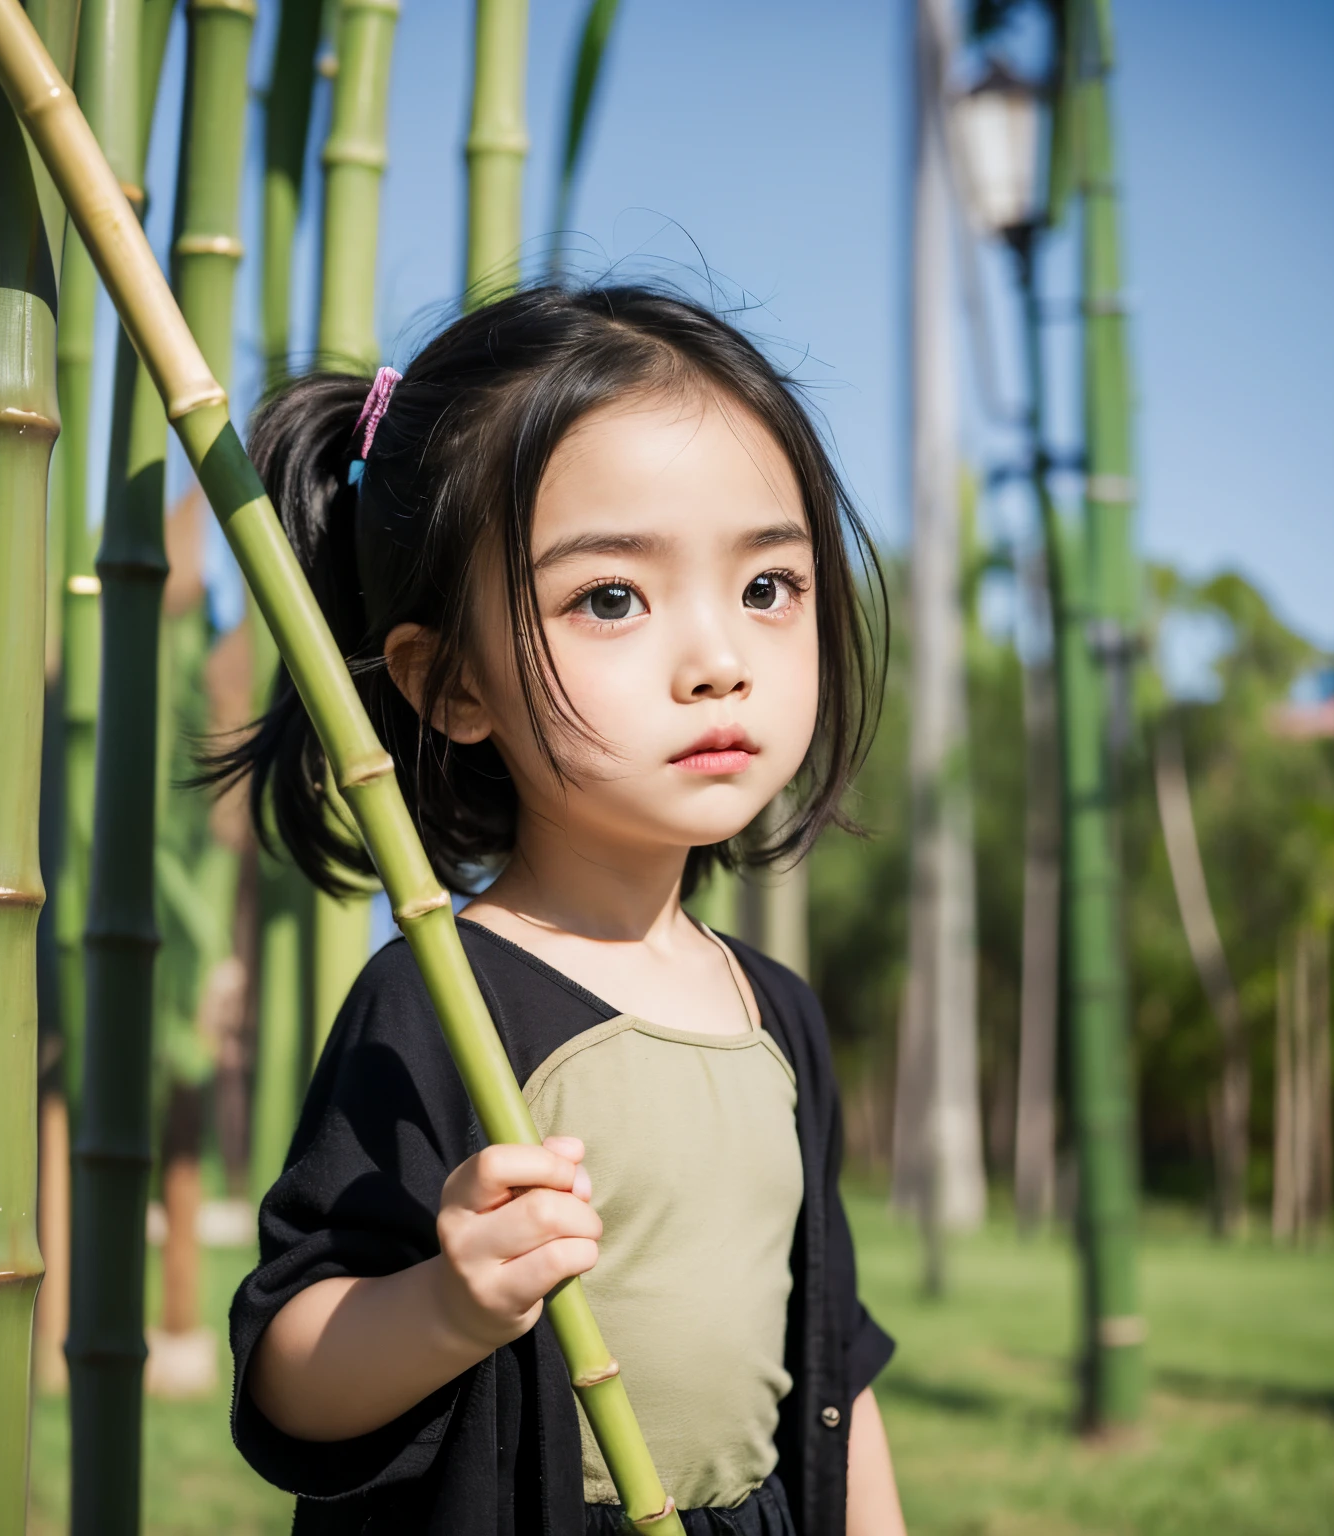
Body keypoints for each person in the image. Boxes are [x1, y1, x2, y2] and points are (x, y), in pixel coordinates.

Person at [221, 285, 905, 1536]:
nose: (720, 657)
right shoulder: (440, 995)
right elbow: (287, 1370)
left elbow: (832, 1357)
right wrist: (445, 1306)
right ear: (453, 682)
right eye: (611, 598)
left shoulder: (781, 1017)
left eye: (768, 586)